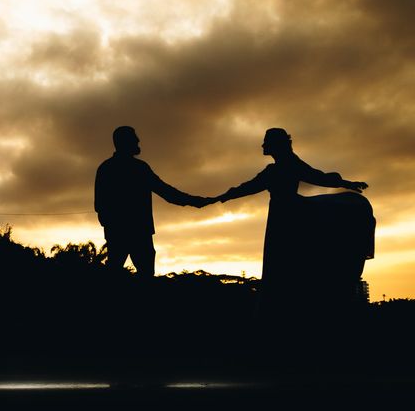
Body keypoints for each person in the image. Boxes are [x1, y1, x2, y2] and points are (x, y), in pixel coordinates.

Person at [207, 128, 373, 309]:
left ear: (276, 144)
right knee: (286, 260)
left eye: (266, 141)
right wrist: (218, 198)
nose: (263, 145)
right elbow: (319, 177)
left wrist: (218, 198)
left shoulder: (283, 167)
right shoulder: (286, 165)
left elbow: (317, 177)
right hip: (288, 213)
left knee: (284, 260)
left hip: (287, 216)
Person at [95, 126, 206, 276]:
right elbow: (166, 192)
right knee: (142, 277)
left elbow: (100, 206)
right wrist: (195, 201)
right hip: (138, 232)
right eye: (133, 138)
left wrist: (113, 226)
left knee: (116, 275)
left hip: (122, 232)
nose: (138, 140)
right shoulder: (138, 168)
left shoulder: (107, 168)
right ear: (125, 142)